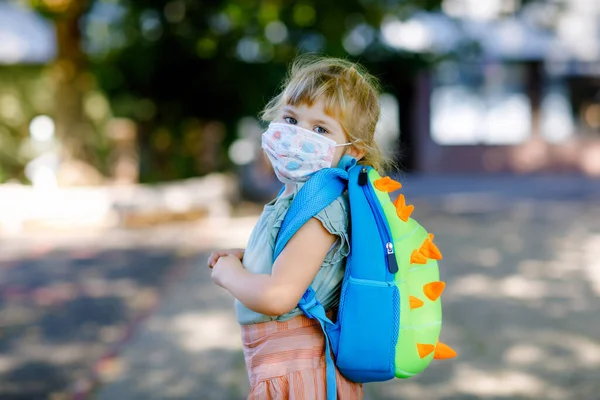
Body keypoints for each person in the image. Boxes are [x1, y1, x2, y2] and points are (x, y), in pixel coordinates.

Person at [207, 55, 391, 399]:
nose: (297, 135)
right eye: (290, 119)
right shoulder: (295, 199)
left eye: (320, 129)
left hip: (301, 376)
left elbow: (279, 296)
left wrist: (228, 274)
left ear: (352, 150)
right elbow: (303, 265)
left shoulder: (322, 210)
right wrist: (248, 258)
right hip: (283, 372)